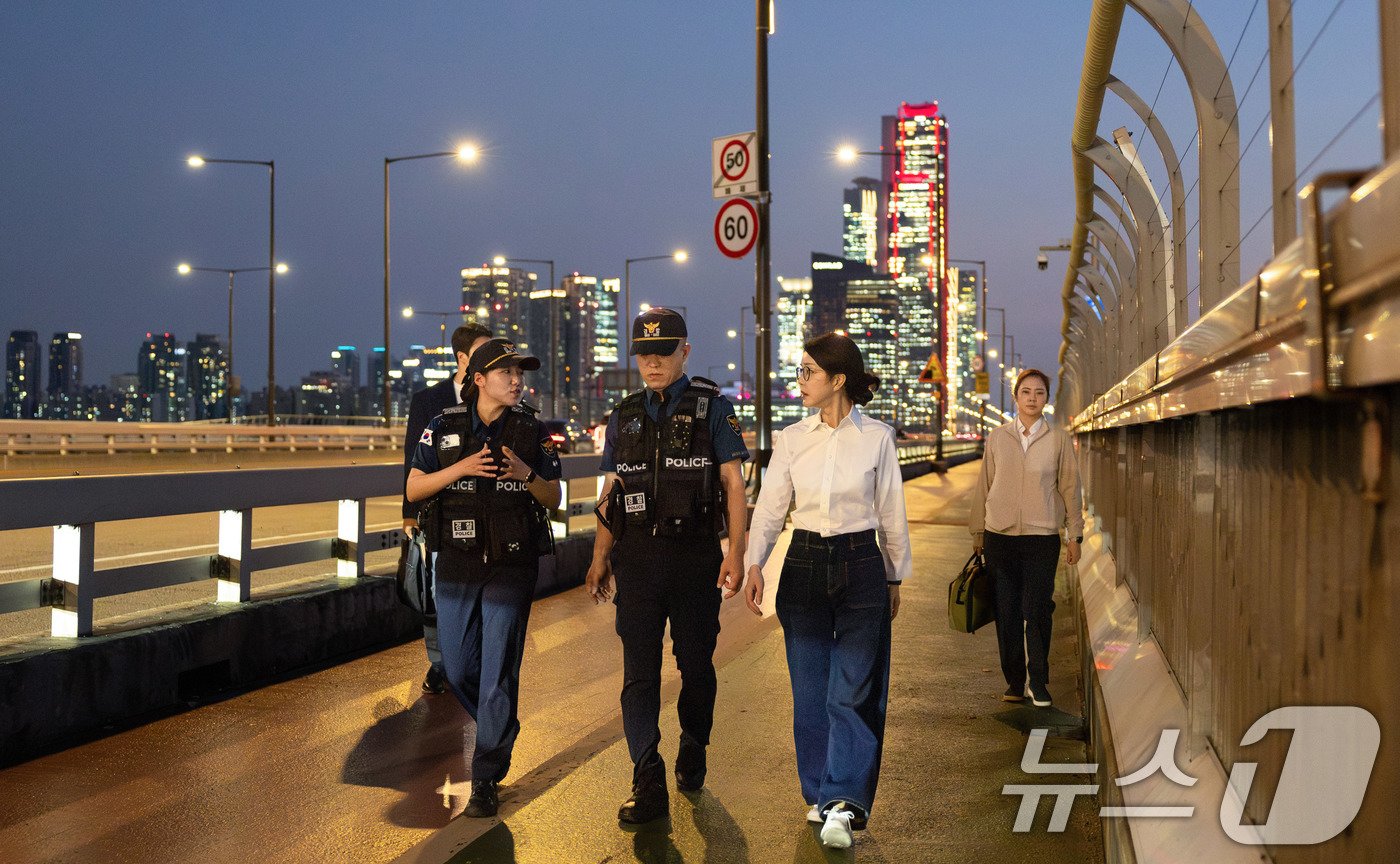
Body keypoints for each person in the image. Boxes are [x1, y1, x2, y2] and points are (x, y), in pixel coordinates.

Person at [742, 332, 911, 850]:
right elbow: (771, 508)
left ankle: (844, 802)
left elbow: (890, 512)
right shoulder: (793, 439)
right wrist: (755, 564)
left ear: (838, 380)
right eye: (799, 370)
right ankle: (818, 792)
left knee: (855, 686)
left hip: (862, 563)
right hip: (805, 562)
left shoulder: (877, 437)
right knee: (811, 687)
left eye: (809, 371)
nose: (801, 380)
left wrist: (894, 574)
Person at [584, 307, 750, 826]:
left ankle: (694, 741)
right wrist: (599, 556)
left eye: (663, 352)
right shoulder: (624, 416)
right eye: (644, 354)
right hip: (638, 561)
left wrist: (737, 553)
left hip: (695, 556)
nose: (652, 362)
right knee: (639, 672)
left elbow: (733, 485)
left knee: (696, 665)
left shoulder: (712, 410)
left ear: (685, 352)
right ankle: (646, 776)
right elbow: (613, 491)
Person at [406, 338, 562, 817]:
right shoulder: (444, 427)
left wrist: (524, 473)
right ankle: (501, 727)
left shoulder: (533, 431)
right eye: (506, 373)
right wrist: (462, 468)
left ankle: (486, 775)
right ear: (478, 380)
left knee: (497, 674)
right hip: (455, 564)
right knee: (456, 668)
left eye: (520, 373)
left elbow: (553, 497)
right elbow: (414, 488)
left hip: (512, 568)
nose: (516, 381)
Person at [969, 368, 1083, 709]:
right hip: (999, 536)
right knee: (1006, 611)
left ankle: (1040, 680)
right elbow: (984, 485)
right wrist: (978, 531)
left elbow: (1070, 487)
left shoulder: (1058, 438)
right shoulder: (998, 437)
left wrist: (1074, 534)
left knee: (1036, 609)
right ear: (1016, 398)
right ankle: (1015, 681)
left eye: (1039, 393)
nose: (1032, 398)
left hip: (1041, 537)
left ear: (1046, 399)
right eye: (1026, 392)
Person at [402, 322, 493, 695]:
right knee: (438, 593)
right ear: (462, 358)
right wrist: (409, 512)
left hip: (488, 514)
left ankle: (476, 662)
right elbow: (412, 459)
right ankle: (440, 663)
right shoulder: (428, 400)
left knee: (485, 593)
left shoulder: (496, 392)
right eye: (482, 353)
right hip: (441, 513)